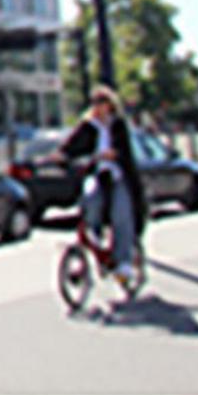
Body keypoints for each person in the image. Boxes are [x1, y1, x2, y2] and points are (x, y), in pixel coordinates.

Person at [62, 88, 146, 286]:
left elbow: (125, 151)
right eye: (95, 104)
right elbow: (72, 146)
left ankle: (124, 261)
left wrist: (113, 154)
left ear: (110, 105)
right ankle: (95, 239)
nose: (98, 108)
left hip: (117, 176)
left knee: (121, 215)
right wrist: (61, 155)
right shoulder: (88, 126)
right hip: (98, 175)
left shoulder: (118, 125)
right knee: (90, 200)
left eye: (102, 103)